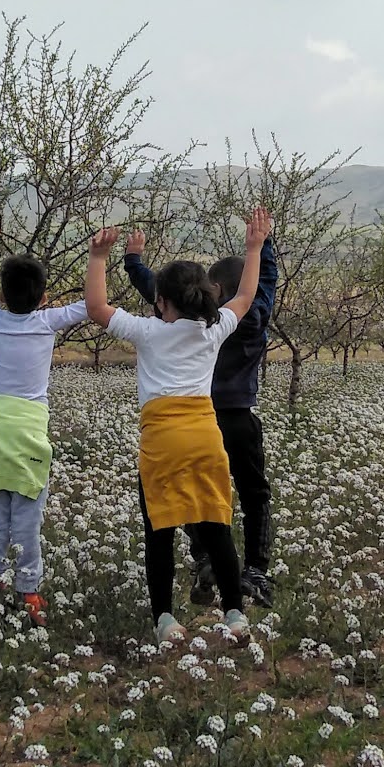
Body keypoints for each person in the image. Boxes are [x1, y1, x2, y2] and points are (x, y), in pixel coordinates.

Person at [85, 209, 272, 646]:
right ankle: (234, 616)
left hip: (162, 441)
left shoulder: (148, 331)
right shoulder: (213, 330)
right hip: (206, 436)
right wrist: (254, 248)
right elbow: (247, 296)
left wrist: (99, 257)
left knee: (160, 531)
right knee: (217, 525)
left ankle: (166, 621)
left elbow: (96, 307)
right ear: (207, 298)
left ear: (161, 302)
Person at [124, 227, 278, 607]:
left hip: (199, 420)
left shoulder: (193, 324)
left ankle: (206, 557)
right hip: (238, 419)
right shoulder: (240, 318)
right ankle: (255, 570)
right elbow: (261, 290)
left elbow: (158, 290)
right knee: (254, 494)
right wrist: (262, 246)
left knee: (195, 494)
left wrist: (134, 262)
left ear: (214, 290)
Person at [0, 220, 90, 627]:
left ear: (2, 296)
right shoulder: (48, 321)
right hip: (31, 434)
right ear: (45, 298)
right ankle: (29, 592)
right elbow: (93, 304)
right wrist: (98, 257)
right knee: (27, 519)